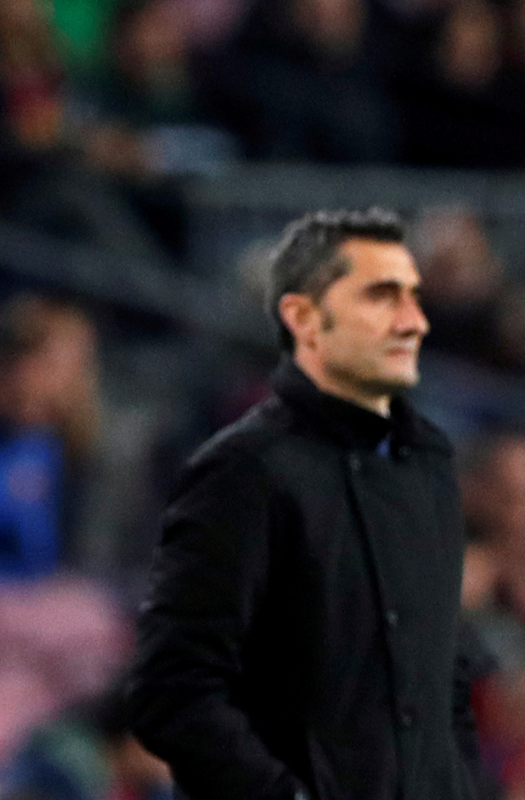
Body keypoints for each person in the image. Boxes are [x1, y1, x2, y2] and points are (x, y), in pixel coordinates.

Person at [124, 208, 485, 799]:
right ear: (304, 319)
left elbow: (445, 684)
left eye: (414, 298)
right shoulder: (243, 470)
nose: (414, 322)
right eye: (380, 297)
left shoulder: (431, 466)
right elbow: (173, 691)